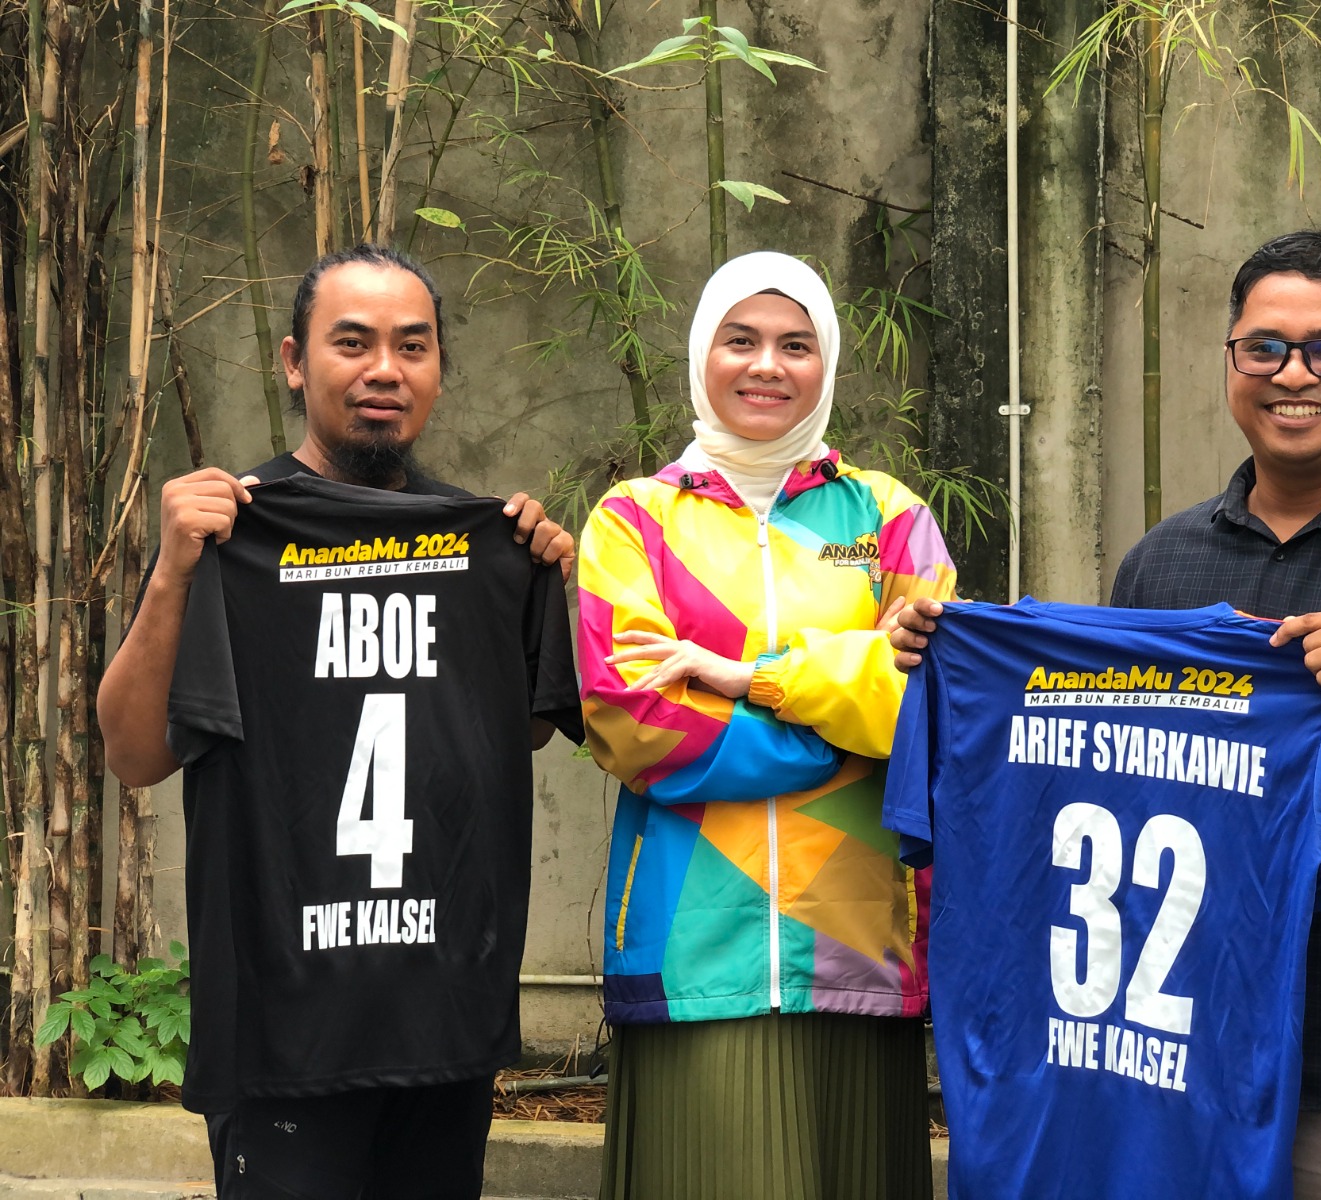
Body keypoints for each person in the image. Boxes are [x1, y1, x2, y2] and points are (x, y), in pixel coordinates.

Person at [891, 229, 1321, 1199]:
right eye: (1264, 348)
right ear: (1230, 362)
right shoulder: (1162, 563)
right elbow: (1107, 763)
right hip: (1165, 1038)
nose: (1293, 374)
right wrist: (958, 657)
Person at [98, 243, 582, 1198]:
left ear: (439, 367)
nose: (384, 370)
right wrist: (170, 576)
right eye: (352, 343)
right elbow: (134, 753)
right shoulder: (229, 536)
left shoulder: (485, 539)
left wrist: (536, 581)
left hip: (443, 1026)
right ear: (294, 361)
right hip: (285, 1035)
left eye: (412, 346)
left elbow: (517, 730)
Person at [577, 250, 959, 1200]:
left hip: (857, 938)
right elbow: (636, 723)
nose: (766, 365)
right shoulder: (635, 521)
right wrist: (838, 722)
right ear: (701, 354)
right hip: (693, 940)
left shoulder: (889, 518)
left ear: (826, 363)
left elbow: (936, 704)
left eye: (795, 345)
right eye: (739, 339)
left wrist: (753, 680)